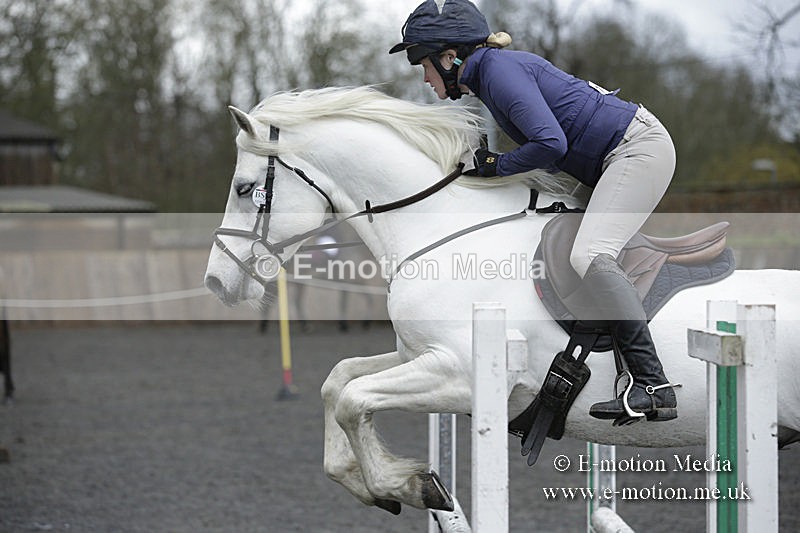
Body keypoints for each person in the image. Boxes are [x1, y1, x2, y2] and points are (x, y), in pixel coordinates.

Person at [389, 0, 678, 423]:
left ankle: (653, 384)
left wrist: (496, 166)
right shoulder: (490, 74)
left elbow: (550, 144)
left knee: (588, 254)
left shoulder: (497, 73)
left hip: (636, 150)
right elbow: (552, 149)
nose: (425, 78)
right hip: (617, 155)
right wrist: (497, 169)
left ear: (449, 58)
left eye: (424, 65)